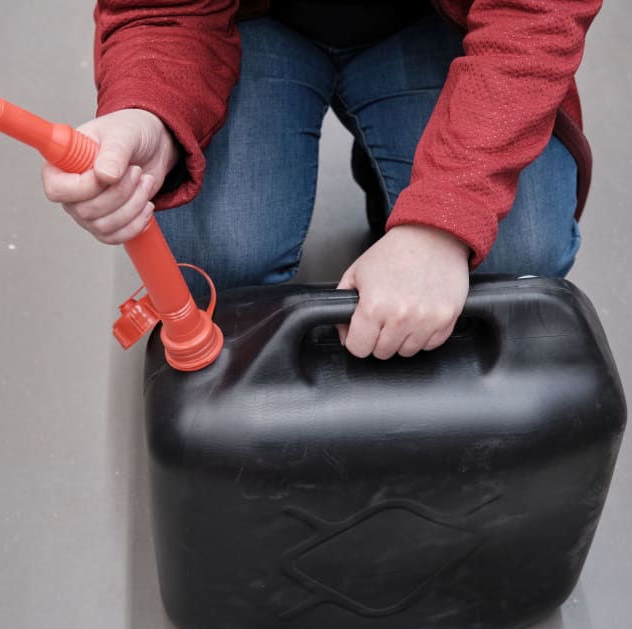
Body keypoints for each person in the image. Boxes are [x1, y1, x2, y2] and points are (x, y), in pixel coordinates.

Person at [40, 0, 600, 360]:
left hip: (438, 20)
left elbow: (536, 15)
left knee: (516, 254)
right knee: (216, 261)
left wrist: (442, 221)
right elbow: (161, 9)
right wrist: (151, 115)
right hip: (248, 20)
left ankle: (398, 198)